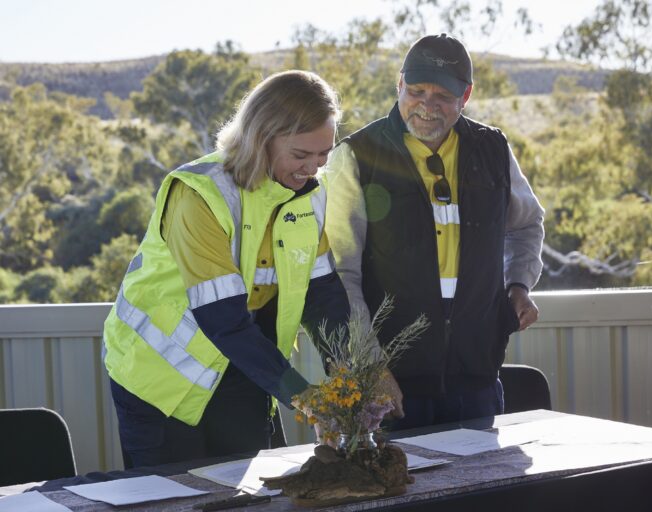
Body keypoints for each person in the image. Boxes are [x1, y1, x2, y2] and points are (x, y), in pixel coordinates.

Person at [102, 70, 349, 468]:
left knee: (249, 494)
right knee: (174, 496)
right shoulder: (199, 194)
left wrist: (351, 377)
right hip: (160, 383)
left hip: (245, 371)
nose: (313, 168)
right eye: (301, 155)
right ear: (261, 138)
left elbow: (324, 297)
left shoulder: (309, 195)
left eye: (324, 154)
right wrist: (307, 399)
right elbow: (224, 319)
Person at [325, 34, 545, 430]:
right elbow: (343, 275)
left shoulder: (492, 149)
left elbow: (527, 224)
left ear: (466, 96)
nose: (427, 106)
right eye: (416, 91)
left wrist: (519, 284)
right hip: (389, 388)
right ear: (399, 84)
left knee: (484, 474)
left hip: (478, 379)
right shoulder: (356, 156)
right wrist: (371, 366)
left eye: (443, 96)